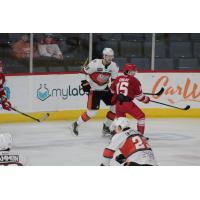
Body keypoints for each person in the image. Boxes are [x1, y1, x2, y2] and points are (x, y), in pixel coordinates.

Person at [70, 48, 119, 136]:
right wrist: (84, 83)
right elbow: (82, 72)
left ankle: (106, 128)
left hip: (105, 89)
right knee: (92, 113)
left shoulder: (114, 66)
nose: (110, 58)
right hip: (94, 90)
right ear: (103, 56)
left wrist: (115, 89)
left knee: (115, 108)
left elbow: (114, 80)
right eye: (108, 56)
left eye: (111, 56)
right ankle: (75, 124)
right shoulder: (95, 63)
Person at [110, 63, 150, 135]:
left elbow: (112, 91)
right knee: (141, 117)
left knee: (121, 121)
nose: (134, 72)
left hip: (118, 105)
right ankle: (140, 135)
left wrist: (129, 93)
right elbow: (140, 97)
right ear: (128, 71)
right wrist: (146, 100)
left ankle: (118, 135)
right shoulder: (134, 80)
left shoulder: (118, 78)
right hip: (127, 104)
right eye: (133, 71)